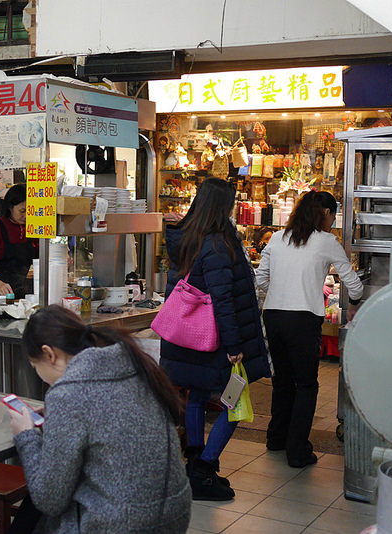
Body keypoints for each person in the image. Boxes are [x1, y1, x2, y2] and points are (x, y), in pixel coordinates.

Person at [9, 305, 191, 533]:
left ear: (49, 354)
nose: (41, 376)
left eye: (35, 366)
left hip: (123, 524)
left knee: (34, 512)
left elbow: (50, 499)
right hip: (174, 514)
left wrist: (26, 435)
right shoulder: (130, 364)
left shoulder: (67, 393)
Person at [159, 177, 273, 501]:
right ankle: (205, 468)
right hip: (215, 339)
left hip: (187, 336)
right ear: (223, 206)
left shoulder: (186, 237)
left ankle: (195, 464)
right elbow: (224, 300)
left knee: (196, 395)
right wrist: (235, 346)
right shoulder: (218, 244)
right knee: (234, 402)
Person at [256, 190, 363, 467]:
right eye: (333, 215)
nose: (333, 220)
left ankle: (276, 438)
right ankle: (297, 451)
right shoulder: (327, 241)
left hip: (274, 315)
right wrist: (355, 301)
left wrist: (282, 290)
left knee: (282, 381)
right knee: (305, 385)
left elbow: (261, 278)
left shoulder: (278, 237)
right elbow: (354, 285)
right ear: (326, 213)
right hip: (303, 320)